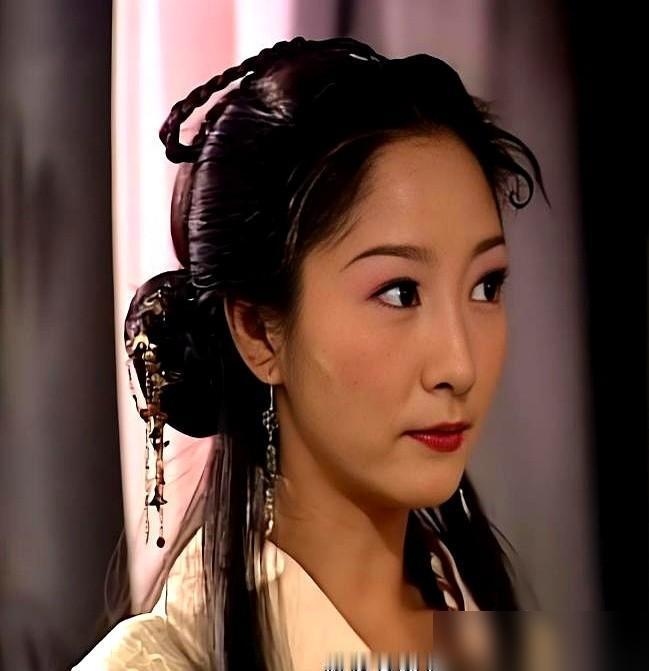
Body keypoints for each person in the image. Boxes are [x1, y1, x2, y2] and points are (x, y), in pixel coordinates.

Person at [73, 35, 548, 671]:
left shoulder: (473, 617)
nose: (460, 366)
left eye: (486, 286)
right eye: (400, 293)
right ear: (258, 331)